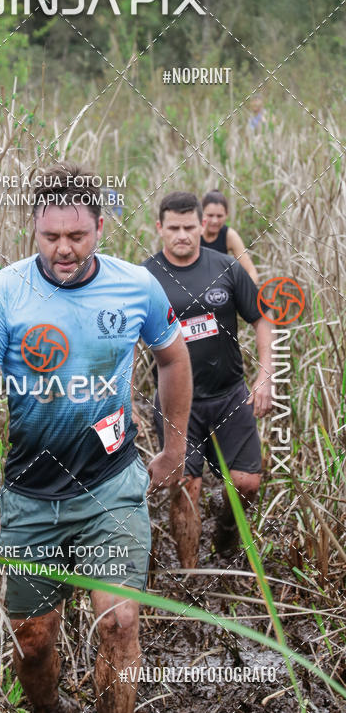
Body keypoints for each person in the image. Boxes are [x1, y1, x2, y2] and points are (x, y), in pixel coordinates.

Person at [0, 163, 191, 713]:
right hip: (29, 494)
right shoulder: (2, 294)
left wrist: (173, 449)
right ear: (34, 228)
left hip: (110, 485)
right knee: (33, 639)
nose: (64, 249)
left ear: (100, 228)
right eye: (51, 235)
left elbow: (172, 355)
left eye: (78, 236)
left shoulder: (135, 286)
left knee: (118, 622)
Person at [143, 191, 272, 568]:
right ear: (159, 229)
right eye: (173, 228)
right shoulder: (145, 278)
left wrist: (265, 375)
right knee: (186, 488)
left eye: (189, 227)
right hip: (176, 404)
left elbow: (262, 317)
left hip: (230, 395)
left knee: (247, 483)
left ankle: (227, 532)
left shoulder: (226, 268)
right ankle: (191, 579)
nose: (182, 235)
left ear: (203, 226)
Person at [201, 189, 259, 283]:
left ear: (226, 215)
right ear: (201, 213)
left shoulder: (230, 235)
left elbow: (252, 272)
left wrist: (246, 293)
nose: (214, 221)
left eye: (219, 216)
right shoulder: (193, 232)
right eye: (210, 215)